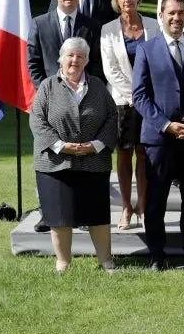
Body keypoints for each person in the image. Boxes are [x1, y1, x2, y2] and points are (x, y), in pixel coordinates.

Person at [132, 0, 184, 271]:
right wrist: (166, 125)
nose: (177, 18)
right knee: (156, 201)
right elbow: (140, 96)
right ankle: (157, 254)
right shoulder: (146, 50)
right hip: (160, 140)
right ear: (161, 16)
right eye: (171, 14)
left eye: (181, 13)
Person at [29, 37, 118, 273]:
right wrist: (60, 146)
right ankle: (63, 262)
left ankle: (106, 260)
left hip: (94, 160)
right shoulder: (48, 86)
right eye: (70, 55)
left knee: (97, 213)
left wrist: (96, 145)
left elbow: (112, 117)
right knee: (59, 215)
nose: (74, 60)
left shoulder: (98, 85)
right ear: (61, 58)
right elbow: (37, 121)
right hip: (55, 163)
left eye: (80, 56)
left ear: (86, 60)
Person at [27, 0, 103, 234]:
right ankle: (47, 213)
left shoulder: (91, 25)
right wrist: (48, 94)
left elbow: (95, 66)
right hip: (50, 106)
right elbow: (33, 64)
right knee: (50, 156)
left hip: (83, 103)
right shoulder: (40, 23)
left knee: (79, 156)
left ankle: (78, 212)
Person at [100, 0, 160, 230]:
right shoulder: (108, 30)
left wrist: (145, 95)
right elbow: (110, 69)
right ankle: (126, 208)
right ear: (117, 1)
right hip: (123, 101)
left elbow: (160, 60)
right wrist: (135, 94)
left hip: (151, 100)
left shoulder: (154, 26)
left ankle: (143, 206)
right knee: (124, 153)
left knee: (144, 153)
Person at [28, 0, 104, 91]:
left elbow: (97, 63)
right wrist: (46, 91)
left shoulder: (93, 26)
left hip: (83, 96)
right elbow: (33, 64)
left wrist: (86, 89)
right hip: (50, 96)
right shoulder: (39, 24)